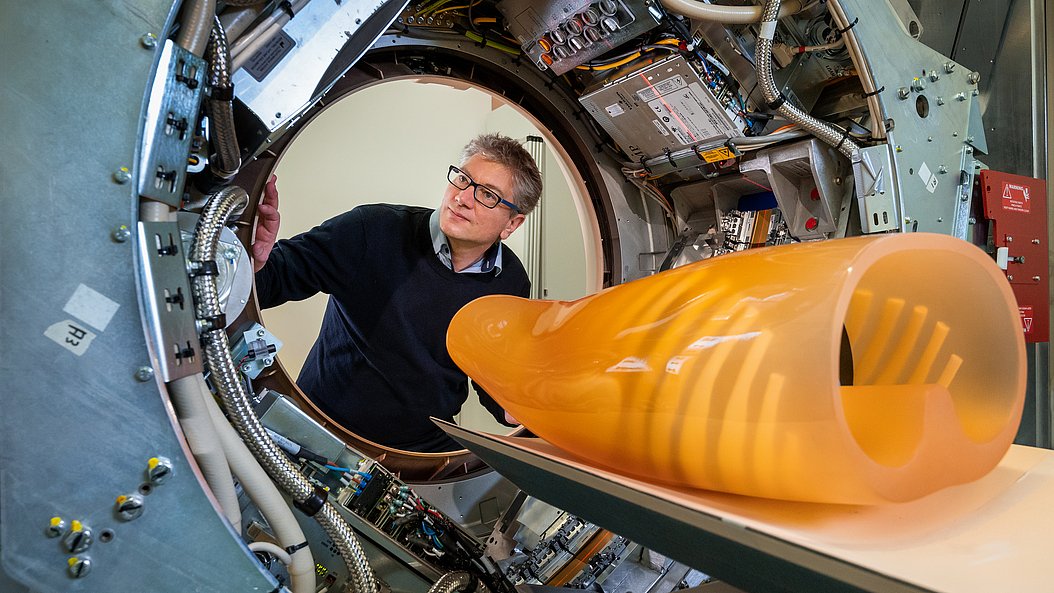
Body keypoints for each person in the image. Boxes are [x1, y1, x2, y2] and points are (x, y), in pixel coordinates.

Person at [252, 133, 542, 452]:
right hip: (323, 425)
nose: (463, 197)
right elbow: (277, 276)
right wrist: (255, 260)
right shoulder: (372, 229)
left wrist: (515, 408)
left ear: (512, 223)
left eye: (487, 194)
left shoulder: (511, 282)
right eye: (462, 179)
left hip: (421, 447)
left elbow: (490, 372)